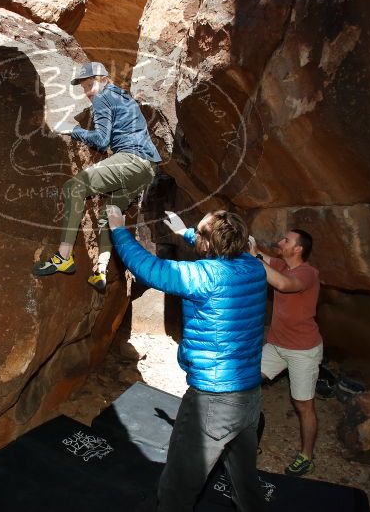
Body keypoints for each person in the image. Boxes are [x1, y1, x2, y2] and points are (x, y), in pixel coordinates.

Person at [109, 206, 266, 512]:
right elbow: (228, 242)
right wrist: (187, 233)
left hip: (213, 400)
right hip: (249, 395)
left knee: (178, 486)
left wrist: (118, 229)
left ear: (207, 245)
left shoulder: (202, 276)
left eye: (201, 232)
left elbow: (147, 267)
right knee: (245, 481)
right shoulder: (254, 267)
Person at [32, 61, 162, 292]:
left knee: (74, 187)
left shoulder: (103, 98)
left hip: (131, 160)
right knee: (109, 213)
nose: (88, 92)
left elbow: (102, 140)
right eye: (84, 88)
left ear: (104, 80)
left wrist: (74, 130)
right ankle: (100, 270)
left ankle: (64, 257)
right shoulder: (124, 97)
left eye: (91, 84)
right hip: (148, 168)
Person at [249, 229, 321, 477]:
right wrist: (247, 243)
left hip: (303, 351)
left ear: (298, 249)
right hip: (277, 346)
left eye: (286, 241)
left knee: (303, 406)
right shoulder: (283, 264)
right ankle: (245, 439)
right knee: (244, 378)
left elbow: (282, 284)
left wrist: (256, 259)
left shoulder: (307, 273)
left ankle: (307, 457)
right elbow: (259, 255)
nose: (280, 242)